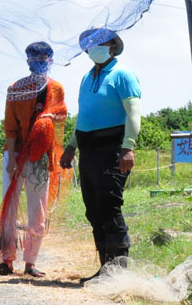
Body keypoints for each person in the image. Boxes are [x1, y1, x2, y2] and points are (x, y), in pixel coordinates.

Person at [60, 28, 141, 285]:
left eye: (100, 43)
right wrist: (71, 146)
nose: (94, 47)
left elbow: (133, 113)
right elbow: (83, 117)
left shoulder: (122, 74)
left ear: (113, 46)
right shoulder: (86, 77)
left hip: (112, 149)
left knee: (109, 206)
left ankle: (120, 271)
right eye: (90, 44)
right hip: (88, 151)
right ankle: (105, 268)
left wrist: (128, 147)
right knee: (93, 209)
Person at [0, 41, 68, 278]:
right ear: (27, 60)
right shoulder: (16, 87)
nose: (39, 62)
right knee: (8, 209)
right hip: (16, 153)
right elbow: (10, 126)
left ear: (51, 60)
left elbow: (62, 115)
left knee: (37, 211)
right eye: (35, 57)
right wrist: (11, 158)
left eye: (44, 58)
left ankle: (30, 263)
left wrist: (47, 120)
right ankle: (7, 261)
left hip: (40, 157)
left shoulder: (56, 88)